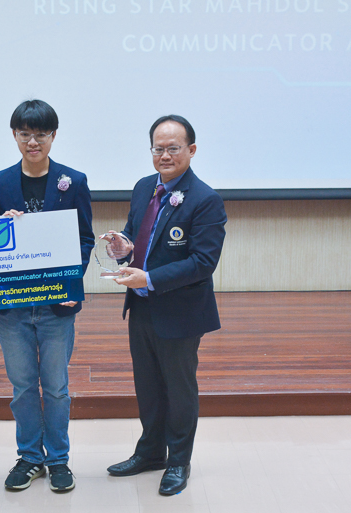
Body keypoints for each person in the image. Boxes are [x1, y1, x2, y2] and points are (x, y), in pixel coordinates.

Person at [105, 115, 226, 495]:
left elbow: (203, 262)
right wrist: (123, 246)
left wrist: (150, 278)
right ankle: (150, 452)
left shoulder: (205, 200)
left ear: (191, 150)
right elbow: (137, 234)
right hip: (141, 306)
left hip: (180, 312)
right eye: (158, 149)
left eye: (173, 148)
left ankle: (178, 462)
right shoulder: (145, 187)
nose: (165, 156)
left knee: (178, 389)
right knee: (148, 386)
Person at [0, 99, 94, 493]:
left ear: (53, 136)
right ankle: (30, 457)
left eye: (41, 134)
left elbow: (84, 239)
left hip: (56, 306)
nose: (33, 142)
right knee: (24, 387)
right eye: (25, 134)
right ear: (14, 135)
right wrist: (2, 229)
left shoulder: (73, 181)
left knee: (57, 387)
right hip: (13, 307)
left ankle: (58, 459)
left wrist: (71, 283)